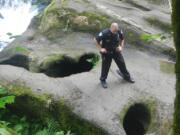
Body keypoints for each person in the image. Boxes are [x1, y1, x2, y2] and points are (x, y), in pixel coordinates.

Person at [95, 22, 135, 88]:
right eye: (114, 31)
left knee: (122, 63)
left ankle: (127, 77)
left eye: (116, 31)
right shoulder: (104, 33)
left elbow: (122, 39)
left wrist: (121, 47)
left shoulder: (119, 31)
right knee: (106, 66)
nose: (115, 32)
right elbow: (96, 40)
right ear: (111, 28)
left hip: (116, 51)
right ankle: (103, 80)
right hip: (107, 52)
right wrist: (100, 49)